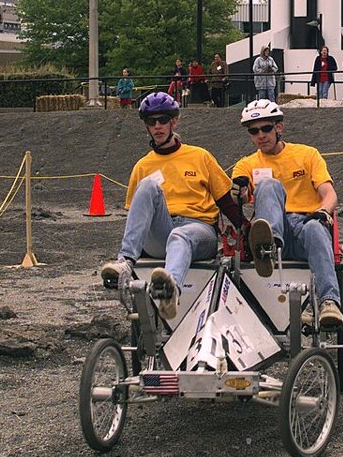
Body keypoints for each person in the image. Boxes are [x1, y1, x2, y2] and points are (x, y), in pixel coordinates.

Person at [99, 93, 241, 319]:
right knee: (147, 186)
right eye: (151, 122)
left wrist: (246, 229)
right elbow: (138, 216)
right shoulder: (142, 166)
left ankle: (170, 289)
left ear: (174, 121)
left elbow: (225, 201)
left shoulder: (200, 156)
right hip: (162, 233)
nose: (157, 126)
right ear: (146, 126)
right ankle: (125, 262)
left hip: (198, 231)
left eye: (163, 120)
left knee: (180, 235)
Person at [232, 100, 343, 329]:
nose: (260, 135)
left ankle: (329, 302)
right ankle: (268, 245)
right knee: (269, 185)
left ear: (278, 128)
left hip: (305, 223)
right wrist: (240, 191)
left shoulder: (307, 154)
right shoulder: (245, 165)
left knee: (315, 228)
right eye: (254, 131)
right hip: (274, 225)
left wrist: (322, 212)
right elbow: (241, 199)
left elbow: (329, 193)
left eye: (266, 128)